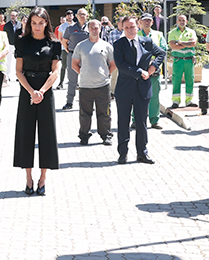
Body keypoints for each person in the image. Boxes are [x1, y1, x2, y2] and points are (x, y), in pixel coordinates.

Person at [14, 7, 61, 196]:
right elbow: (18, 71)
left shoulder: (54, 43)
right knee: (25, 134)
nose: (37, 26)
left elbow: (56, 71)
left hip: (45, 91)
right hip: (27, 90)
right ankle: (28, 178)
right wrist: (31, 91)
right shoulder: (22, 42)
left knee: (47, 134)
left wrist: (41, 91)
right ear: (29, 24)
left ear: (46, 23)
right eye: (33, 23)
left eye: (41, 23)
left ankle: (43, 178)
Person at [113, 16, 165, 165]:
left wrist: (153, 67)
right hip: (124, 89)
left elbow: (161, 53)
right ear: (123, 28)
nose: (130, 30)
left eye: (132, 27)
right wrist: (140, 72)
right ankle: (123, 153)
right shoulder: (118, 44)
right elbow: (121, 65)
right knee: (123, 122)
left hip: (142, 88)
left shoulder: (146, 42)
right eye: (126, 27)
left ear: (138, 27)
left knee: (142, 122)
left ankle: (142, 153)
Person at [72, 19, 116, 145]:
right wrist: (84, 73)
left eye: (96, 27)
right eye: (91, 27)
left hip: (103, 86)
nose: (94, 30)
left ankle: (106, 135)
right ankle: (84, 136)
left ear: (100, 29)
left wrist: (106, 74)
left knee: (104, 113)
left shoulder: (107, 46)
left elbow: (113, 64)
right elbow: (74, 64)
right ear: (88, 29)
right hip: (85, 86)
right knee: (85, 113)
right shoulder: (81, 46)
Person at [135, 13, 167, 130]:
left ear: (152, 22)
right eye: (144, 20)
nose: (147, 22)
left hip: (154, 70)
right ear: (140, 22)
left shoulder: (158, 35)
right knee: (137, 96)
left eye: (149, 20)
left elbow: (163, 50)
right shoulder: (135, 34)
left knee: (154, 96)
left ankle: (154, 120)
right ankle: (136, 120)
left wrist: (152, 63)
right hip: (139, 71)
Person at [61, 8, 90, 110]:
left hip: (87, 57)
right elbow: (64, 41)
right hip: (73, 56)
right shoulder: (70, 28)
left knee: (87, 80)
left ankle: (88, 103)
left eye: (84, 14)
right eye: (80, 14)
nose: (82, 16)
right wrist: (69, 51)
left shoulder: (90, 28)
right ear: (76, 16)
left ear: (87, 16)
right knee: (72, 80)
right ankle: (69, 102)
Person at [168, 14, 198, 109]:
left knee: (190, 80)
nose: (182, 22)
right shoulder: (172, 32)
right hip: (178, 60)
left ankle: (189, 101)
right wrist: (187, 44)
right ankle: (176, 101)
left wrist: (180, 42)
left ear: (186, 22)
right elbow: (173, 46)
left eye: (183, 20)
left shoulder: (191, 32)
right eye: (180, 20)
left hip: (189, 60)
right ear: (177, 21)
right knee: (176, 80)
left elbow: (193, 43)